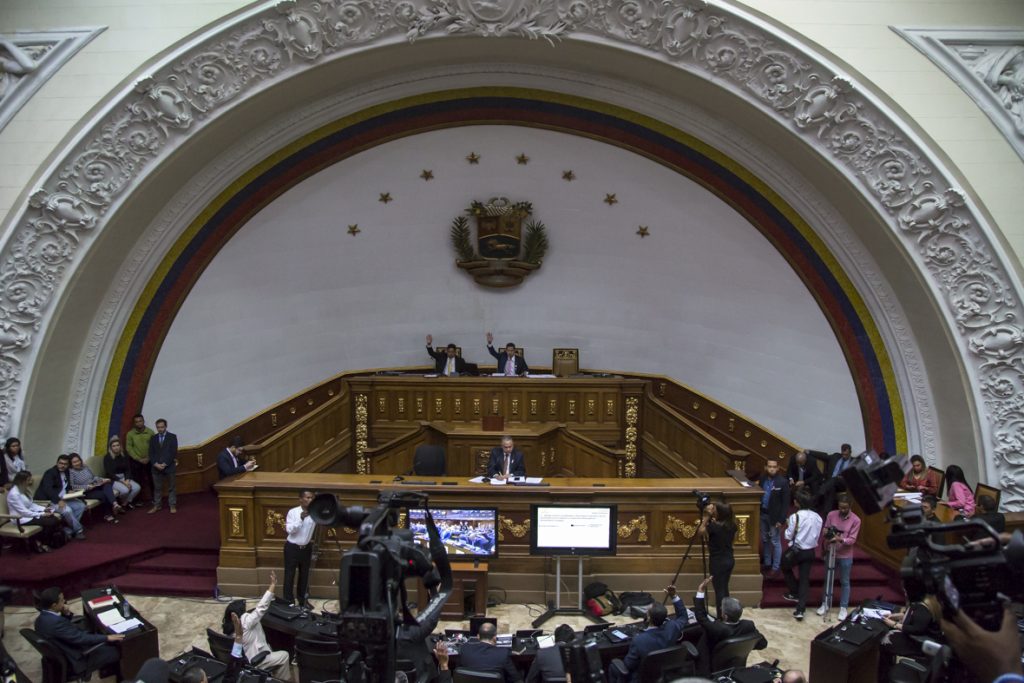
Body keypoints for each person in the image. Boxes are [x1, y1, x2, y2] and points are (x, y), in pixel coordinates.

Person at [33, 587, 124, 678]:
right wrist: (107, 637)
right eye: (62, 600)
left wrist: (66, 614)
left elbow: (62, 631)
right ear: (54, 605)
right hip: (77, 658)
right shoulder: (55, 623)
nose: (64, 601)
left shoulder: (40, 619)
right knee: (118, 650)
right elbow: (80, 638)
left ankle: (107, 669)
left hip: (66, 648)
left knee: (102, 638)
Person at [222, 571, 292, 681]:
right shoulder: (245, 621)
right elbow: (261, 607)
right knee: (284, 655)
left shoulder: (228, 626)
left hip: (242, 661)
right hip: (256, 660)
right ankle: (280, 681)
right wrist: (273, 585)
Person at [691, 576, 766, 677]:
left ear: (725, 616)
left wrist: (700, 591)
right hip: (734, 667)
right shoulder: (748, 625)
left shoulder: (716, 629)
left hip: (708, 669)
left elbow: (701, 617)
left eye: (721, 608)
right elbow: (762, 644)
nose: (720, 608)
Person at [618, 585, 689, 682]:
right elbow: (683, 617)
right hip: (665, 675)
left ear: (648, 618)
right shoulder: (672, 627)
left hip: (642, 679)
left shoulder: (639, 640)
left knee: (614, 667)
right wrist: (674, 596)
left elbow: (628, 665)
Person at [816, 493, 861, 620]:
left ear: (850, 506)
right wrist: (827, 533)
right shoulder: (831, 514)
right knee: (828, 579)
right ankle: (825, 603)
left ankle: (843, 607)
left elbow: (852, 539)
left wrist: (840, 539)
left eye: (845, 508)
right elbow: (825, 528)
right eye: (840, 507)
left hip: (845, 555)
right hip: (831, 552)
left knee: (844, 581)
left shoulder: (856, 520)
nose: (842, 510)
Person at [782, 491, 822, 620]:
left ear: (797, 502)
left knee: (784, 565)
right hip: (810, 551)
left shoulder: (795, 517)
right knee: (804, 578)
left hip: (797, 550)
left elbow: (788, 536)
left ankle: (794, 591)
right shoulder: (817, 517)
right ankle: (800, 610)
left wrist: (788, 525)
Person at [6, 471, 65, 551]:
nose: (31, 481)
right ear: (22, 481)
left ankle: (40, 541)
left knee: (53, 518)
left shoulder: (23, 489)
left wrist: (43, 509)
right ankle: (42, 543)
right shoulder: (14, 494)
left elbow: (31, 504)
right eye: (29, 480)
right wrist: (42, 514)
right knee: (52, 521)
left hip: (29, 514)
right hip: (20, 518)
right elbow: (23, 511)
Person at [697, 499, 736, 617]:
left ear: (719, 513)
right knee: (724, 588)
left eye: (714, 509)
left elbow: (701, 531)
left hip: (718, 562)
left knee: (719, 591)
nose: (712, 509)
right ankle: (728, 614)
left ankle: (721, 617)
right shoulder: (732, 525)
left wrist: (706, 518)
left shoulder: (714, 527)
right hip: (729, 559)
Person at [36, 454, 86, 540]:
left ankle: (68, 530)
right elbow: (48, 490)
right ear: (57, 463)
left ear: (68, 465)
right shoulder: (50, 473)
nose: (62, 466)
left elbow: (66, 486)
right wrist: (58, 500)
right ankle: (78, 530)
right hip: (49, 501)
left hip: (63, 498)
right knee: (67, 510)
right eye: (60, 463)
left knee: (80, 506)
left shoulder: (67, 472)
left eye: (65, 464)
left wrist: (70, 491)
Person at [457, 621, 521, 683]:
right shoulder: (503, 653)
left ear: (478, 636)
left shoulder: (464, 649)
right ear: (495, 637)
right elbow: (516, 678)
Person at [283, 489, 315, 608]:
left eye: (312, 498)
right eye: (308, 497)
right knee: (289, 575)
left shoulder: (315, 513)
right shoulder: (293, 512)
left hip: (306, 548)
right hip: (292, 548)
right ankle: (288, 602)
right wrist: (300, 519)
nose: (310, 500)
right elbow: (289, 530)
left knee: (304, 576)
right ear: (300, 499)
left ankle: (303, 601)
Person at [68, 453, 122, 523]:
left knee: (107, 484)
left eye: (78, 461)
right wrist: (87, 487)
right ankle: (108, 514)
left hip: (94, 486)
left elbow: (93, 477)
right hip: (84, 492)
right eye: (74, 462)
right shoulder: (70, 472)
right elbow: (72, 486)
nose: (77, 463)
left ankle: (115, 504)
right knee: (103, 494)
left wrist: (102, 479)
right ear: (71, 464)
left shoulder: (85, 467)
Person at [758, 459, 789, 576]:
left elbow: (785, 503)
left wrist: (781, 519)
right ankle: (767, 562)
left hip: (775, 517)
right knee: (765, 539)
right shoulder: (762, 479)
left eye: (774, 467)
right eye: (770, 466)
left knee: (775, 541)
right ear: (766, 467)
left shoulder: (782, 482)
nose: (772, 469)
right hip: (763, 513)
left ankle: (775, 567)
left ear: (778, 468)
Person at [806, 443, 854, 515]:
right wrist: (809, 452)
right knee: (831, 488)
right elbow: (824, 456)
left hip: (842, 484)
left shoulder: (853, 462)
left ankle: (817, 495)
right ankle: (827, 513)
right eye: (843, 454)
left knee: (835, 479)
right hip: (830, 483)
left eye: (846, 455)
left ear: (850, 452)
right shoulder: (836, 456)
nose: (844, 456)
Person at [148, 418, 178, 513]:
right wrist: (156, 464)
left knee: (171, 487)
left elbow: (173, 452)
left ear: (166, 426)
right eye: (158, 427)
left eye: (162, 427)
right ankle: (157, 505)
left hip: (169, 466)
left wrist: (165, 464)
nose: (160, 429)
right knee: (157, 488)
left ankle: (172, 505)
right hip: (156, 467)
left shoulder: (172, 437)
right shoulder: (153, 438)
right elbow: (151, 453)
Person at [103, 435, 141, 508]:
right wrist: (123, 482)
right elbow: (109, 473)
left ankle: (125, 503)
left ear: (120, 446)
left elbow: (128, 469)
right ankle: (123, 502)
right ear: (111, 447)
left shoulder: (124, 455)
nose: (116, 447)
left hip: (124, 477)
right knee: (125, 491)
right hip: (114, 479)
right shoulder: (107, 457)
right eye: (114, 446)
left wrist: (127, 480)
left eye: (117, 445)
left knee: (137, 487)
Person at [125, 413, 155, 502]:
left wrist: (149, 457)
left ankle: (155, 498)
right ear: (134, 423)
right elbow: (129, 448)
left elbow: (155, 446)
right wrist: (138, 459)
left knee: (152, 479)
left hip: (150, 460)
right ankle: (138, 500)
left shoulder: (150, 432)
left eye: (140, 421)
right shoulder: (130, 434)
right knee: (138, 481)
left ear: (143, 421)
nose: (139, 423)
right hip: (136, 461)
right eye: (136, 422)